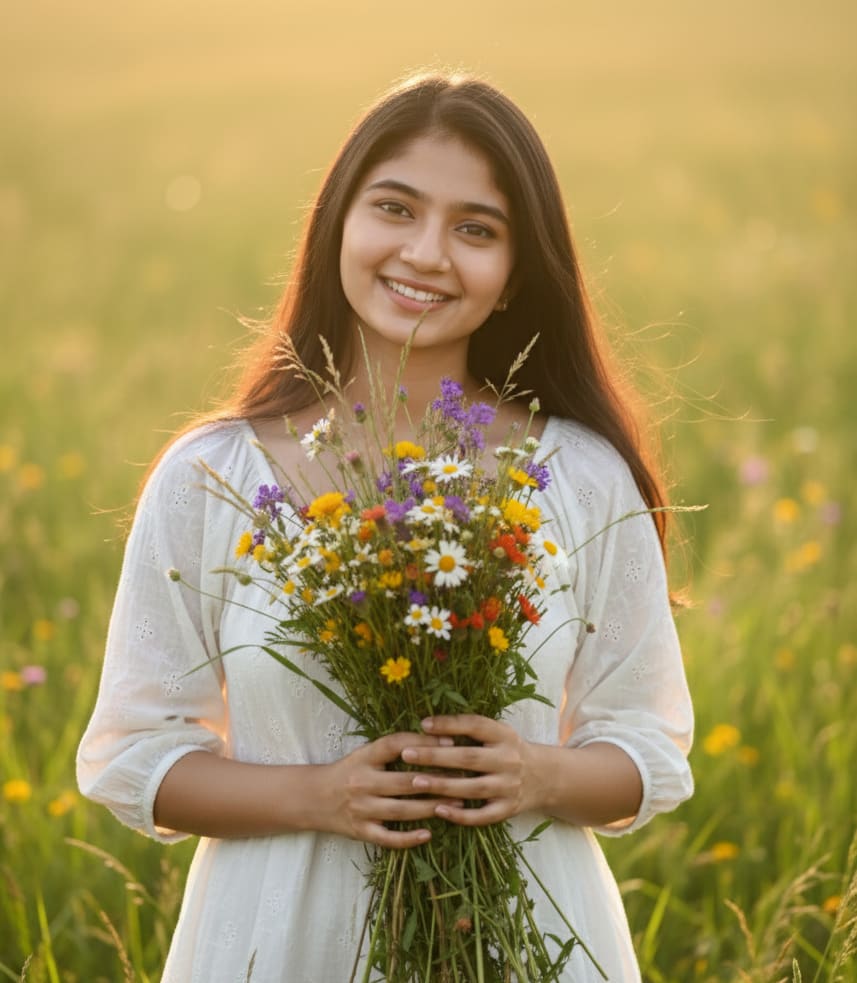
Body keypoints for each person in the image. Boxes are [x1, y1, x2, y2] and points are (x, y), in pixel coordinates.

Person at [77, 72, 694, 982]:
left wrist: (535, 775)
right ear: (338, 223)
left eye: (475, 229)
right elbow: (134, 756)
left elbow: (648, 747)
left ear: (519, 269)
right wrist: (319, 795)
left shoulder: (578, 473)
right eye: (395, 209)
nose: (427, 254)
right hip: (279, 937)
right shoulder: (211, 477)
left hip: (524, 935)